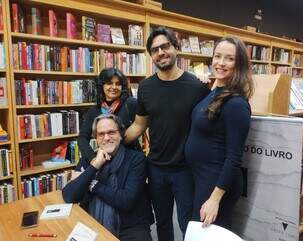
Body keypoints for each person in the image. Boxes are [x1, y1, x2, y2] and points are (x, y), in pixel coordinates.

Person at [125, 26, 209, 241]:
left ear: (176, 48)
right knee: (162, 223)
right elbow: (138, 125)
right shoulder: (145, 88)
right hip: (155, 169)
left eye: (165, 46)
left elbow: (210, 123)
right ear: (151, 55)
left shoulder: (197, 86)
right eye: (155, 50)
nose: (160, 52)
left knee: (187, 223)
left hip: (186, 170)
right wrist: (113, 142)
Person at [185, 36, 254, 230]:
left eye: (229, 58)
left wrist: (215, 198)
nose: (221, 63)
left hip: (216, 182)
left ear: (239, 64)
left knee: (207, 233)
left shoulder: (237, 104)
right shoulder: (217, 91)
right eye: (217, 56)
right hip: (202, 176)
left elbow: (234, 157)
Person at [62, 114, 153, 241]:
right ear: (96, 139)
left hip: (130, 226)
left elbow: (125, 200)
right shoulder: (90, 159)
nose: (106, 138)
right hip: (94, 221)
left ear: (121, 134)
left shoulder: (136, 159)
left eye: (111, 132)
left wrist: (92, 184)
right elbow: (69, 195)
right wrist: (95, 166)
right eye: (101, 134)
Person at [78, 67, 139, 163]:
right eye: (109, 83)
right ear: (102, 85)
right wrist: (92, 158)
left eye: (118, 84)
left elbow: (142, 125)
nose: (114, 87)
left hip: (130, 160)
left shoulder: (130, 104)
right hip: (107, 160)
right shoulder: (95, 110)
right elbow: (82, 138)